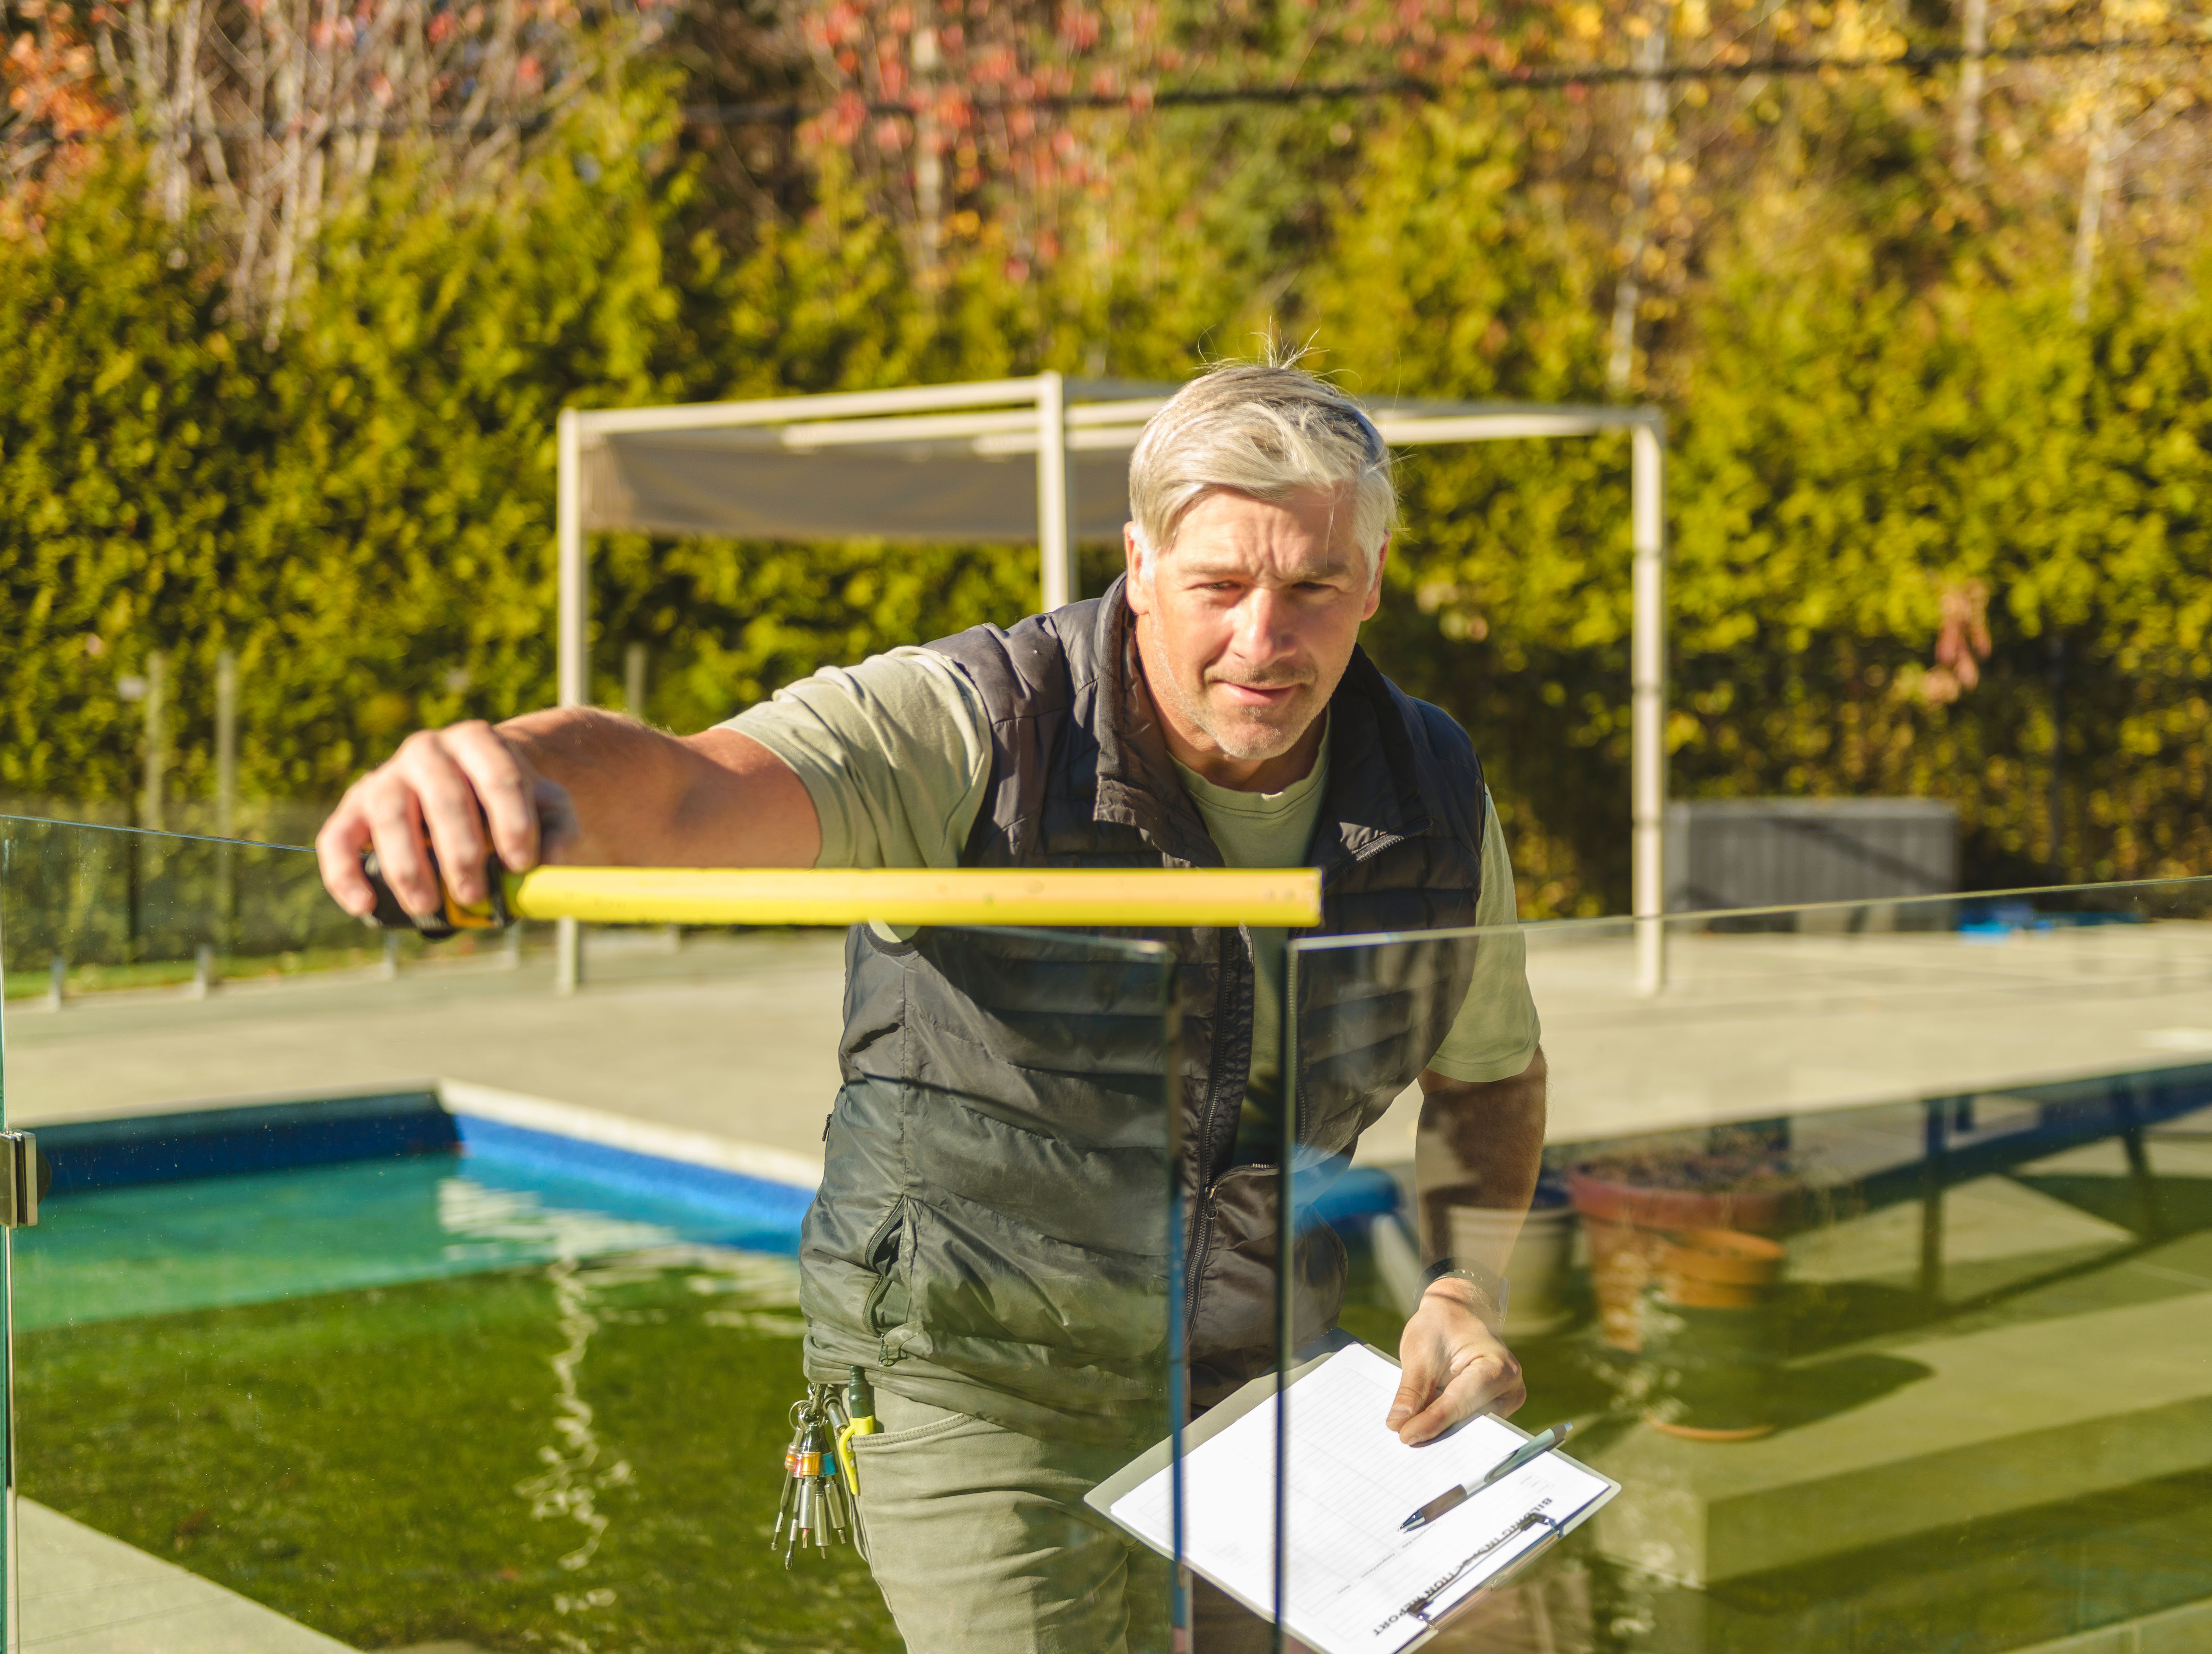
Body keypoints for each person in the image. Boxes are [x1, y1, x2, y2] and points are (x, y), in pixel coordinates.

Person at [316, 361, 1549, 1653]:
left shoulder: (1434, 792)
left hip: (1254, 1374)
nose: (1263, 638)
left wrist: (1462, 1289)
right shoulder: (975, 723)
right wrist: (499, 768)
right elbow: (689, 789)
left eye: (1310, 587)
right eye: (1219, 586)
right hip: (973, 1368)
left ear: (1372, 580)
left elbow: (1490, 1072)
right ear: (1137, 563)